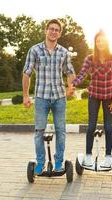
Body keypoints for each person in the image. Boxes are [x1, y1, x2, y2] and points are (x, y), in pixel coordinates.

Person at [22, 19, 76, 175]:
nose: (54, 32)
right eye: (51, 29)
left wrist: (71, 86)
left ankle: (59, 161)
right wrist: (26, 95)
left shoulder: (64, 52)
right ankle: (40, 163)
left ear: (60, 33)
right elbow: (27, 72)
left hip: (59, 97)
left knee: (61, 130)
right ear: (46, 31)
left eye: (57, 30)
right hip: (41, 97)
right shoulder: (35, 50)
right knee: (39, 130)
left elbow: (70, 71)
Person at [71, 30, 112, 168]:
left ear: (107, 42)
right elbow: (83, 73)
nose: (100, 43)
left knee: (108, 127)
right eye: (98, 41)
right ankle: (88, 155)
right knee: (91, 126)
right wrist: (73, 83)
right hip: (94, 96)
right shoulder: (90, 58)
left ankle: (109, 156)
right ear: (95, 43)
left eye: (103, 40)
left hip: (109, 98)